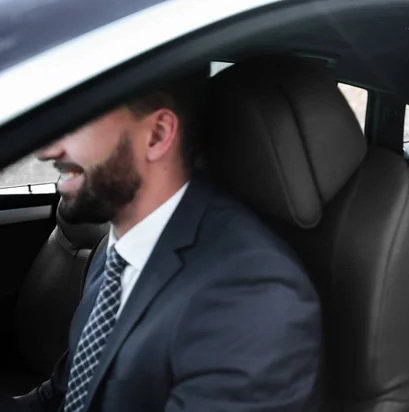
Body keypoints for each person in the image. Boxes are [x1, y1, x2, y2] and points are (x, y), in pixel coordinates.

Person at [16, 69, 322, 411]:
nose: (47, 151)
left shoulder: (252, 295)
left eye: (76, 124)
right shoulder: (118, 246)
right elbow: (61, 394)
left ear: (157, 135)